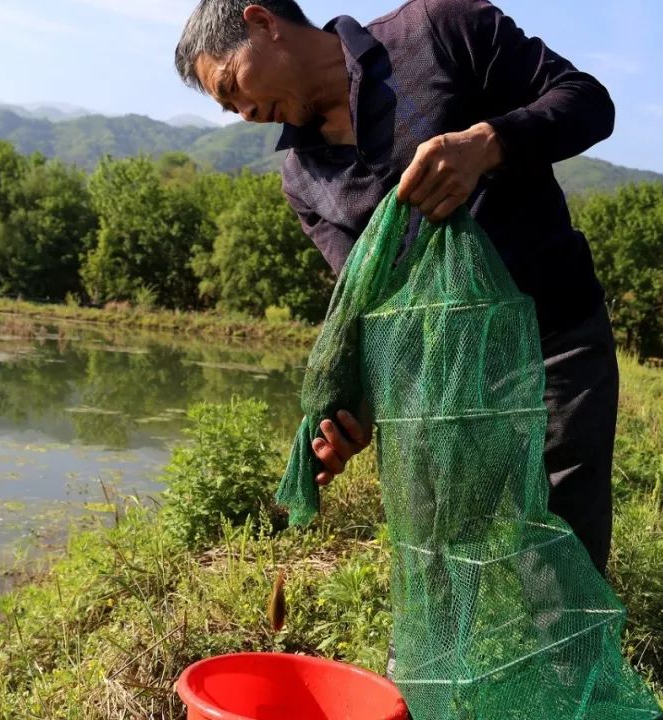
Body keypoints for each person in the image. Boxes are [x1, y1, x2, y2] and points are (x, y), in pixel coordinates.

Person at [175, 0, 618, 578]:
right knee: (447, 558)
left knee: (564, 538)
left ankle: (567, 661)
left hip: (554, 340)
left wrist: (486, 144)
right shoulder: (304, 180)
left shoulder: (441, 28)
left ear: (263, 22)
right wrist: (359, 412)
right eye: (230, 107)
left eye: (234, 86)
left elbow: (588, 102)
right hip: (444, 387)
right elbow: (374, 312)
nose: (246, 112)